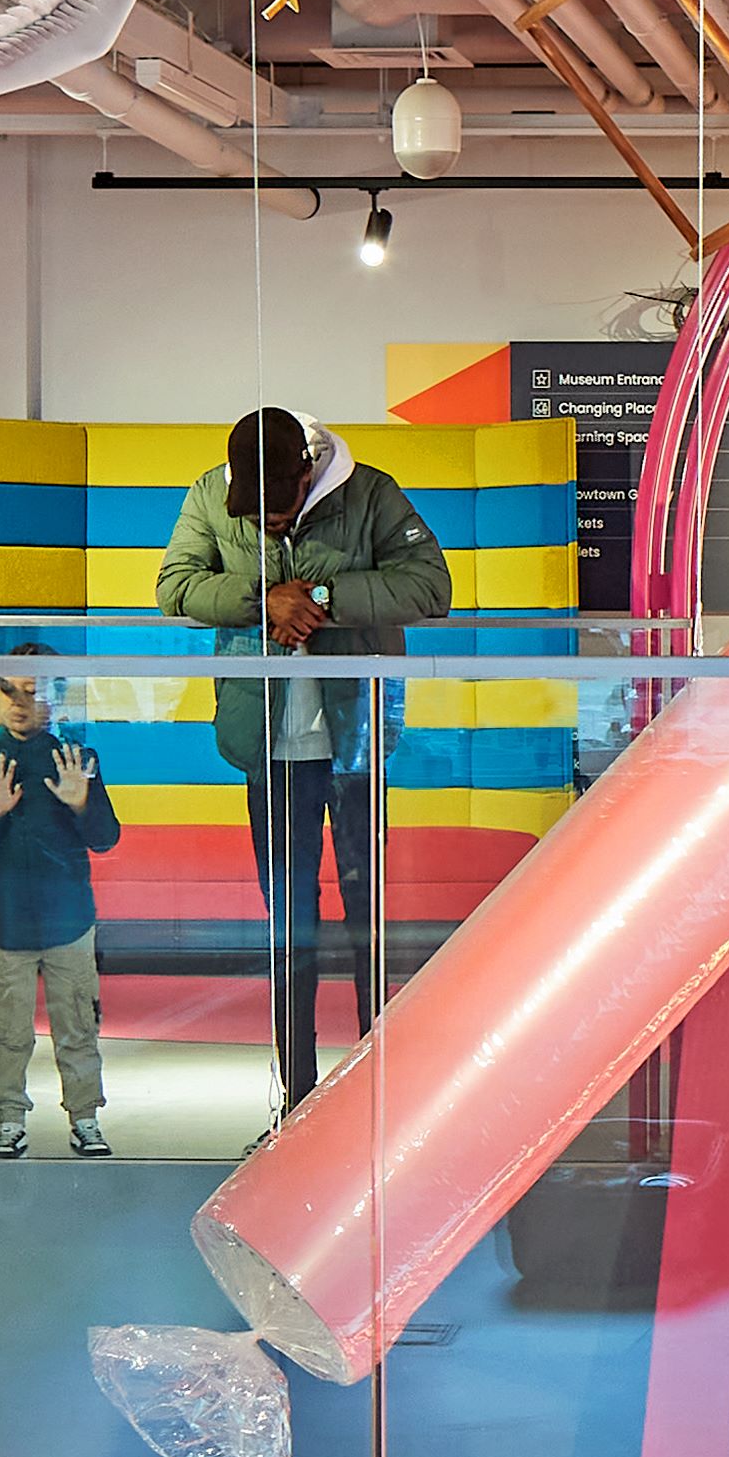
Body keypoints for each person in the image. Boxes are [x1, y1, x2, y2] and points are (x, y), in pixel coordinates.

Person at [149, 404, 454, 1107]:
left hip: (355, 742)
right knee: (288, 923)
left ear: (308, 474)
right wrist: (263, 600)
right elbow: (173, 586)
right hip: (268, 744)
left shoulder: (370, 492)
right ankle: (297, 1098)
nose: (268, 525)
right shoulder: (209, 494)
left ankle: (377, 1094)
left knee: (366, 918)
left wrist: (319, 597)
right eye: (254, 516)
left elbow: (431, 585)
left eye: (279, 512)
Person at [0, 668, 122, 1161]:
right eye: (8, 691)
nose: (18, 703)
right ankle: (10, 1120)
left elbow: (105, 837)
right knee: (7, 1031)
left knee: (78, 1026)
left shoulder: (76, 760)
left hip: (69, 921)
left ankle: (85, 1117)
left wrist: (82, 803)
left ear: (56, 698)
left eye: (32, 693)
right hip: (7, 923)